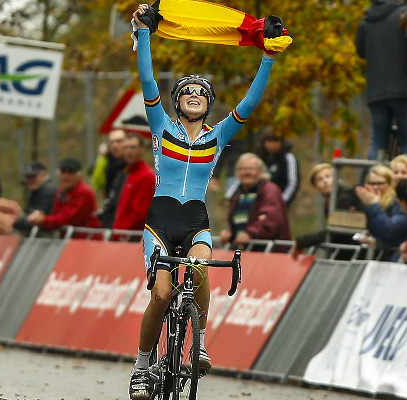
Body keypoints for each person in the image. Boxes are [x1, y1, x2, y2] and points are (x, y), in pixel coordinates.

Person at [129, 3, 281, 397]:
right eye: (186, 92)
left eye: (201, 93)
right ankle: (142, 365)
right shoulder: (161, 125)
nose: (194, 95)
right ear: (177, 101)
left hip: (196, 218)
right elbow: (147, 81)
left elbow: (249, 104)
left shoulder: (218, 135)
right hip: (160, 219)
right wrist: (144, 33)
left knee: (200, 272)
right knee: (162, 294)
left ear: (207, 104)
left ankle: (198, 342)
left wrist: (267, 56)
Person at [356, 0, 407, 161]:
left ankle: (372, 181)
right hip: (403, 89)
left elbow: (361, 50)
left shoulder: (366, 20)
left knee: (377, 141)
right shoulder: (406, 15)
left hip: (376, 91)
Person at [219, 153, 291, 247]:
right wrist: (229, 233)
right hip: (245, 253)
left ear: (261, 171)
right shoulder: (239, 195)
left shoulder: (270, 190)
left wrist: (250, 234)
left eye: (251, 169)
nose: (247, 172)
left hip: (269, 253)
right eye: (243, 169)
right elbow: (237, 224)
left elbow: (271, 220)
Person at [25, 158, 101, 235]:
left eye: (70, 172)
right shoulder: (61, 191)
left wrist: (44, 220)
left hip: (87, 240)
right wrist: (42, 218)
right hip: (70, 240)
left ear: (78, 175)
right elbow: (56, 215)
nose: (66, 176)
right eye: (63, 172)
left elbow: (69, 219)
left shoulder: (84, 191)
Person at [356, 164, 407, 261]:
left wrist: (377, 243)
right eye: (372, 183)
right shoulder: (371, 202)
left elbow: (391, 231)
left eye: (380, 183)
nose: (376, 187)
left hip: (395, 256)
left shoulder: (396, 202)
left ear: (390, 184)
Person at [112, 134, 156, 232]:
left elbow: (140, 213)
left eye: (133, 147)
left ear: (143, 149)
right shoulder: (129, 173)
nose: (129, 151)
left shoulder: (146, 176)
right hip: (122, 234)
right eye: (126, 147)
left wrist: (120, 233)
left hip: (132, 237)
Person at [251, 128, 299, 205]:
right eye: (269, 141)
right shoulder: (257, 158)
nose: (272, 145)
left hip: (279, 203)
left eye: (275, 141)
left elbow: (292, 182)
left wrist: (281, 202)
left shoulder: (288, 158)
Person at [13, 161, 56, 235]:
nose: (30, 180)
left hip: (47, 237)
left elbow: (35, 218)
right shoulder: (34, 191)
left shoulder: (49, 191)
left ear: (43, 175)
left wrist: (13, 220)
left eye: (33, 176)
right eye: (28, 177)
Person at [92, 129, 128, 198]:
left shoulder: (131, 161)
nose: (115, 145)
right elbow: (98, 184)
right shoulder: (105, 160)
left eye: (119, 141)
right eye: (112, 142)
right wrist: (101, 158)